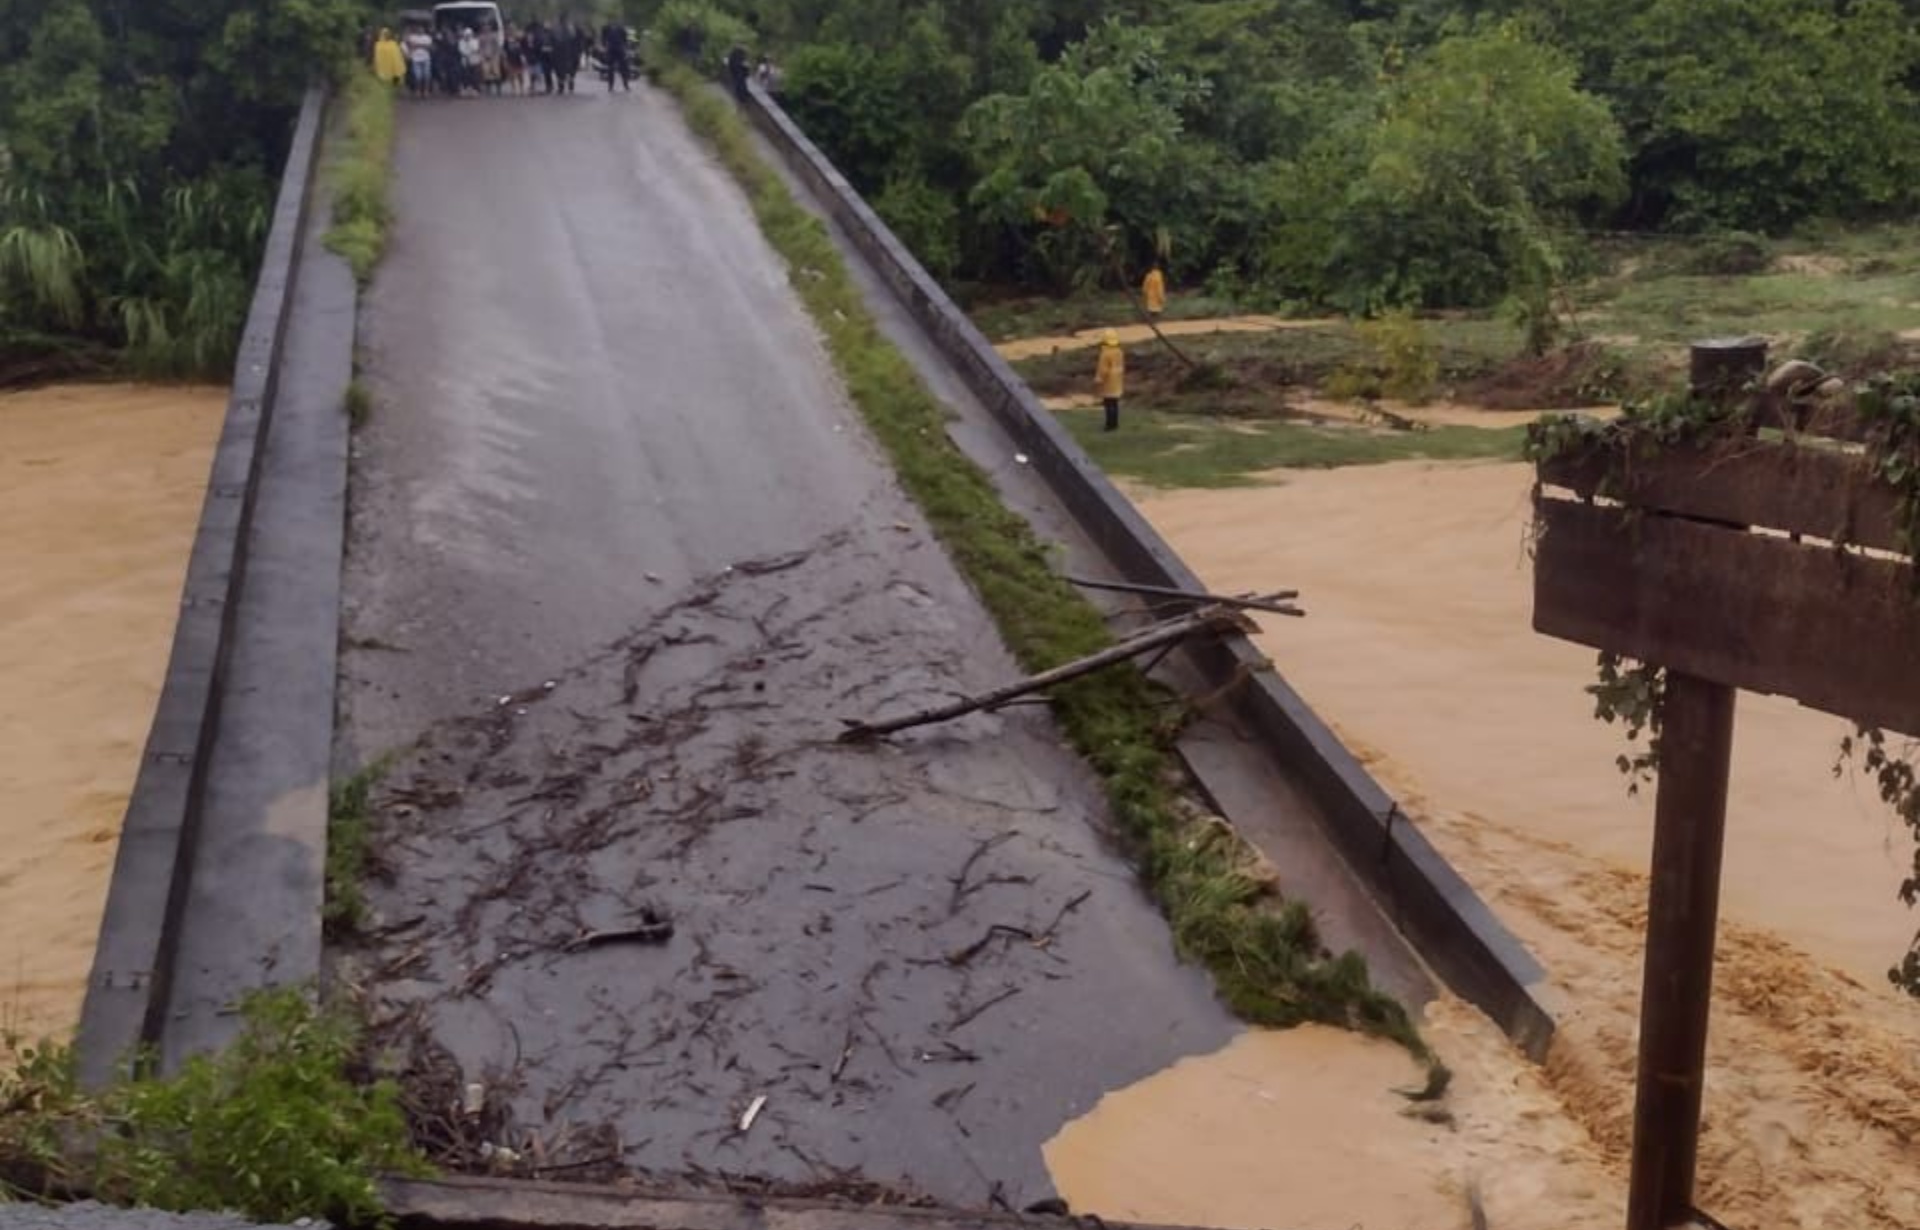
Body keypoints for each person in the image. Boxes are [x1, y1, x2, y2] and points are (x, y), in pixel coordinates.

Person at [1095, 329, 1125, 432]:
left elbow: (1103, 369)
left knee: (1108, 405)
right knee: (1115, 404)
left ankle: (1109, 425)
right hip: (1118, 380)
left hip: (1108, 382)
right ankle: (1115, 424)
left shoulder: (1105, 353)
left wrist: (1099, 378)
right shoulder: (1119, 351)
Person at [602, 21, 632, 91]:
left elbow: (625, 39)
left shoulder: (619, 29)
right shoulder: (607, 28)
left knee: (621, 68)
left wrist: (626, 48)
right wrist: (604, 46)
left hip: (617, 49)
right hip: (614, 49)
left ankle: (624, 85)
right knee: (613, 69)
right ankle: (612, 86)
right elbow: (603, 38)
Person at [405, 25, 433, 95]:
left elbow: (429, 47)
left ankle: (426, 90)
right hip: (416, 59)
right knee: (418, 76)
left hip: (426, 58)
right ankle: (418, 90)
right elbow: (410, 45)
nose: (420, 30)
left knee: (426, 75)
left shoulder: (427, 37)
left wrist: (417, 45)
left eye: (422, 29)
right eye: (419, 29)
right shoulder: (412, 37)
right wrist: (422, 45)